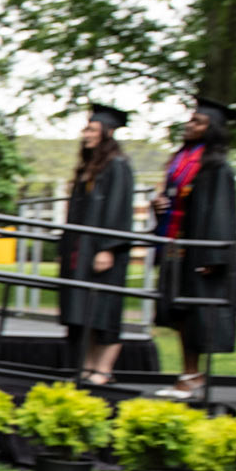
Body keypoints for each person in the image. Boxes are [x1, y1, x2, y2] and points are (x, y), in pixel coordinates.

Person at [151, 97, 236, 399]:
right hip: (176, 245)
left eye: (198, 122)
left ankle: (193, 376)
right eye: (190, 120)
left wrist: (214, 256)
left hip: (198, 252)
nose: (190, 126)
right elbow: (177, 201)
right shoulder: (182, 162)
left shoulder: (216, 168)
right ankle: (189, 374)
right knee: (177, 313)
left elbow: (222, 214)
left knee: (193, 314)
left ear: (212, 129)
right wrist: (159, 206)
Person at [58, 104, 136, 385]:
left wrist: (107, 248)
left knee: (104, 310)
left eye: (91, 129)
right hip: (82, 250)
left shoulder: (117, 165)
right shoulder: (90, 167)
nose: (85, 134)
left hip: (103, 252)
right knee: (85, 309)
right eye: (86, 128)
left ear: (108, 132)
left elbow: (119, 210)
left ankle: (103, 370)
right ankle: (87, 368)